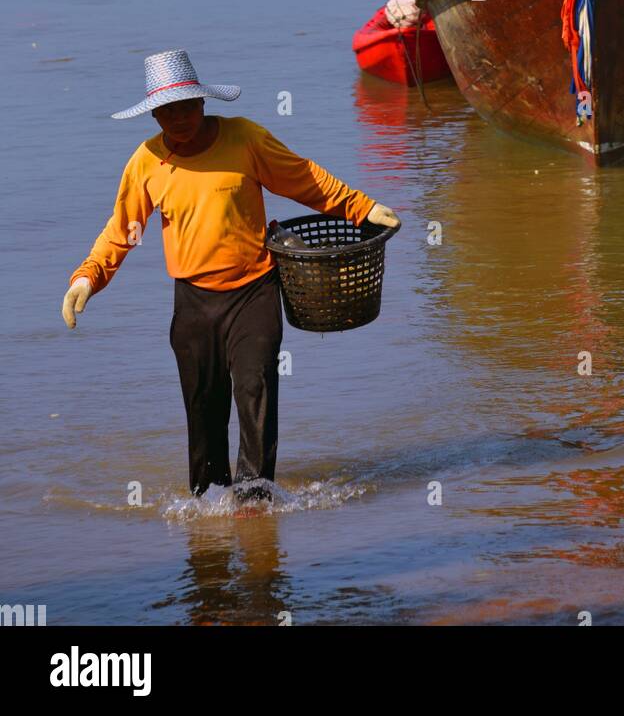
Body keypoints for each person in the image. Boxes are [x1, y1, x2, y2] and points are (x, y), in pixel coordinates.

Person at [61, 49, 399, 501]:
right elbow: (123, 231)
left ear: (203, 103)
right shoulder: (146, 161)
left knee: (254, 389)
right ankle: (206, 504)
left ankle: (254, 499)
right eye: (167, 110)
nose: (178, 118)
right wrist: (87, 278)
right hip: (193, 304)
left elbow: (305, 179)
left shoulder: (245, 139)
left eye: (186, 106)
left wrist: (363, 208)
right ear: (154, 114)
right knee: (203, 409)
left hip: (254, 292)